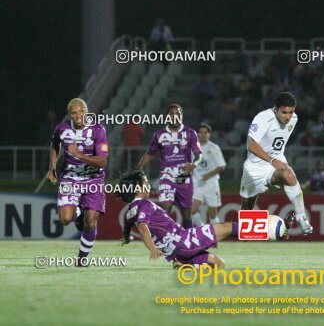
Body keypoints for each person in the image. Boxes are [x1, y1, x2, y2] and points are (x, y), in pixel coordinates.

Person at [119, 169, 235, 268]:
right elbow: (143, 226)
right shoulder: (144, 204)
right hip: (184, 241)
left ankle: (184, 266)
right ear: (138, 189)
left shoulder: (131, 211)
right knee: (228, 227)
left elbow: (130, 229)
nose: (149, 185)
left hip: (176, 253)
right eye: (146, 183)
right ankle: (253, 229)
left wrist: (126, 238)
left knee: (219, 264)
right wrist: (153, 248)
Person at [240, 92, 313, 235]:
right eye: (284, 112)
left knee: (289, 175)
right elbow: (251, 145)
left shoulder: (294, 119)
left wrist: (275, 161)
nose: (288, 116)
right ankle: (246, 239)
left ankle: (302, 218)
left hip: (276, 164)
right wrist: (272, 160)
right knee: (247, 210)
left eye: (291, 112)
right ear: (276, 109)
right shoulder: (262, 119)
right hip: (255, 167)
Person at [46, 98, 108, 266]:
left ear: (87, 110)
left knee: (91, 222)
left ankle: (81, 260)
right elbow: (54, 145)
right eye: (74, 112)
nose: (79, 115)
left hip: (93, 179)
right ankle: (78, 214)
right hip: (70, 178)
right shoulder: (63, 128)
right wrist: (51, 168)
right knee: (65, 219)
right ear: (70, 115)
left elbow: (103, 162)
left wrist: (79, 154)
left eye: (82, 111)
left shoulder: (98, 130)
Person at [137, 104, 201, 228]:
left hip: (184, 177)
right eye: (172, 114)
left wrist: (194, 164)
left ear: (182, 116)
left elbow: (198, 155)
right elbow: (149, 154)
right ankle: (165, 241)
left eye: (178, 114)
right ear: (167, 117)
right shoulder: (159, 134)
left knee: (186, 214)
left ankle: (190, 243)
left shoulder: (190, 133)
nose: (175, 116)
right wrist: (137, 170)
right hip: (167, 175)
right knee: (166, 207)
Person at [190, 123, 226, 226]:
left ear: (209, 134)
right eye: (201, 132)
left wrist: (208, 175)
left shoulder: (214, 148)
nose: (203, 135)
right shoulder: (192, 148)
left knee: (213, 213)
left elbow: (221, 166)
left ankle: (216, 236)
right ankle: (203, 231)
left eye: (205, 132)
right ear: (197, 134)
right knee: (192, 210)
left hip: (211, 183)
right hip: (197, 182)